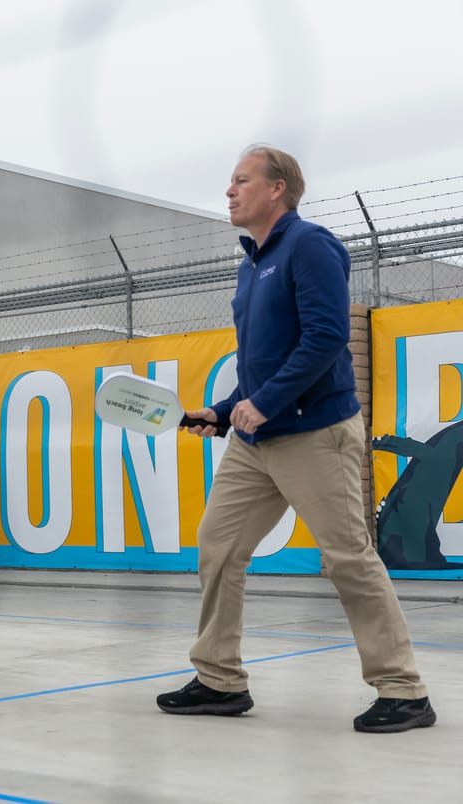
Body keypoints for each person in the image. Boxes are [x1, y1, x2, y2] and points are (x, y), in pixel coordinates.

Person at [156, 145, 435, 733]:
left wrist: (265, 403)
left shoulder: (310, 245)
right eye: (229, 182)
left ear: (277, 188)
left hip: (315, 433)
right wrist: (227, 408)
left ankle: (404, 690)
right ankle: (219, 680)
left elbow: (328, 336)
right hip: (256, 443)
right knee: (218, 546)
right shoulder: (251, 264)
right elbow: (260, 363)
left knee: (348, 558)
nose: (229, 192)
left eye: (240, 181)